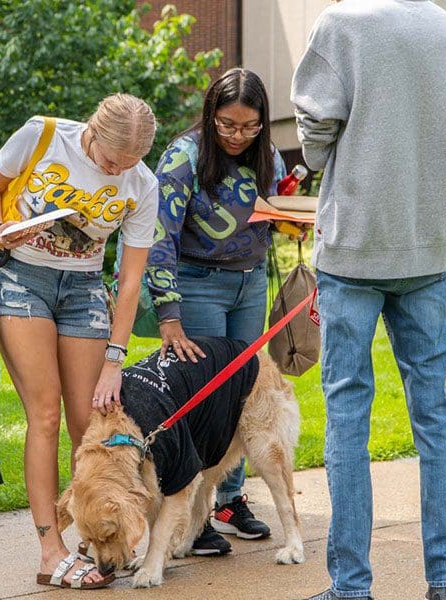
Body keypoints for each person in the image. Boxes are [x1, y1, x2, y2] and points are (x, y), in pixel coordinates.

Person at [291, 1, 446, 599]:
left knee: (348, 417)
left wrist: (328, 163)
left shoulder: (340, 24)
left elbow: (314, 122)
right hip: (426, 244)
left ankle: (351, 588)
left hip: (355, 247)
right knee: (435, 418)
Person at [0, 93, 158, 589]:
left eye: (130, 163)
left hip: (83, 289)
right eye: (109, 160)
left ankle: (96, 538)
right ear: (93, 133)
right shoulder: (44, 134)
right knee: (46, 416)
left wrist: (115, 360)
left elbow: (130, 280)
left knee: (90, 427)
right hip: (24, 279)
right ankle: (50, 550)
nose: (117, 170)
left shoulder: (143, 183)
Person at [145, 67, 287, 555]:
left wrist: (292, 224)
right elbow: (158, 237)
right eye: (227, 125)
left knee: (243, 394)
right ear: (211, 115)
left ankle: (229, 499)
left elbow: (276, 206)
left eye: (249, 127)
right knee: (207, 398)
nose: (237, 136)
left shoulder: (267, 153)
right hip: (198, 283)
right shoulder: (183, 157)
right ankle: (194, 515)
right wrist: (168, 313)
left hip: (249, 284)